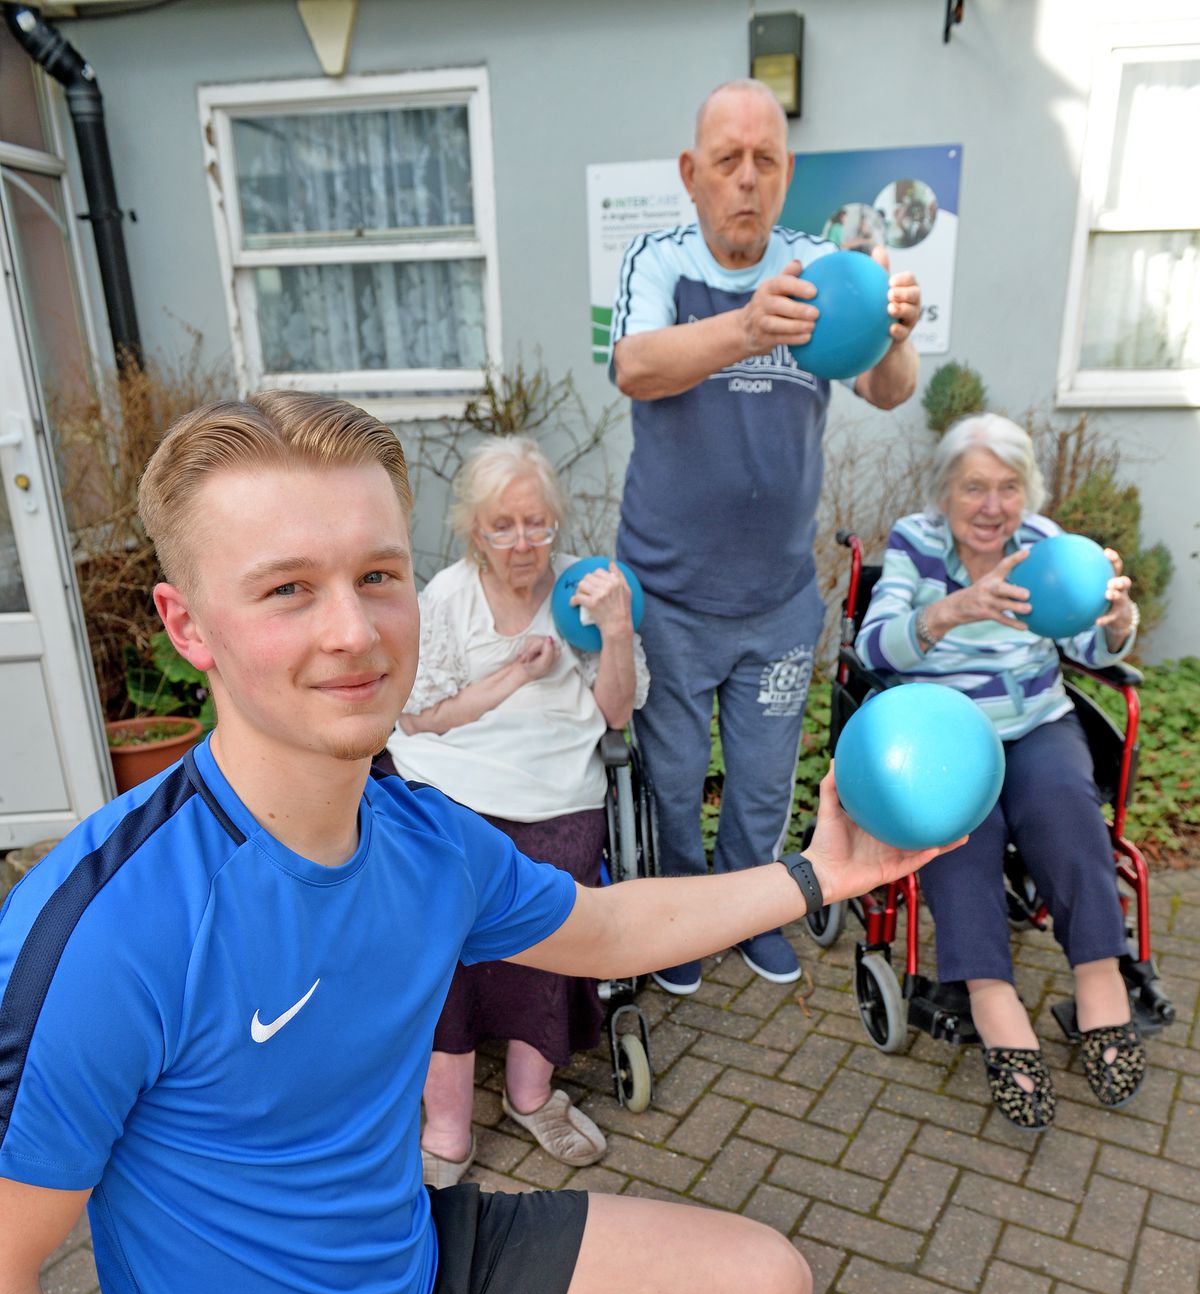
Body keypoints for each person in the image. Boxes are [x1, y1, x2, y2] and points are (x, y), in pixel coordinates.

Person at [0, 391, 952, 1294]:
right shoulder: (108, 929)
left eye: (376, 574)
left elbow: (605, 926)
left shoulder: (419, 836)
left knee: (761, 1286)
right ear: (188, 626)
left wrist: (817, 876)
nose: (353, 626)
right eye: (287, 588)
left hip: (414, 1272)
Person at [610, 77, 922, 995]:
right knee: (671, 781)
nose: (746, 180)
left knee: (757, 784)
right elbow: (634, 365)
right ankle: (676, 922)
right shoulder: (659, 262)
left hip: (779, 600)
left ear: (786, 176)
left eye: (766, 162)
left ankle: (755, 915)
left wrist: (896, 332)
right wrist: (746, 326)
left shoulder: (823, 267)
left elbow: (889, 389)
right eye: (726, 161)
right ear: (691, 174)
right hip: (667, 598)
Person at [856, 412, 1145, 1130]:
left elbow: (1091, 644)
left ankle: (1101, 981)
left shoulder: (1045, 545)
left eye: (1008, 487)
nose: (992, 506)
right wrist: (955, 608)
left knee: (1070, 815)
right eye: (974, 487)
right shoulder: (915, 545)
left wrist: (1115, 620)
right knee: (960, 838)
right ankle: (991, 994)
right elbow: (873, 647)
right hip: (946, 730)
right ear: (944, 492)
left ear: (1028, 493)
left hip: (1037, 722)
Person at [389, 436, 649, 1179]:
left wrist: (619, 629)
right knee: (444, 925)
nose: (523, 542)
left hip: (556, 795)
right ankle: (446, 1126)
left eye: (538, 523)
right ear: (475, 529)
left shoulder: (588, 590)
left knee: (557, 914)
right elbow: (415, 718)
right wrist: (508, 677)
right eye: (503, 525)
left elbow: (618, 712)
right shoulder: (447, 597)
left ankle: (532, 1096)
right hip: (451, 789)